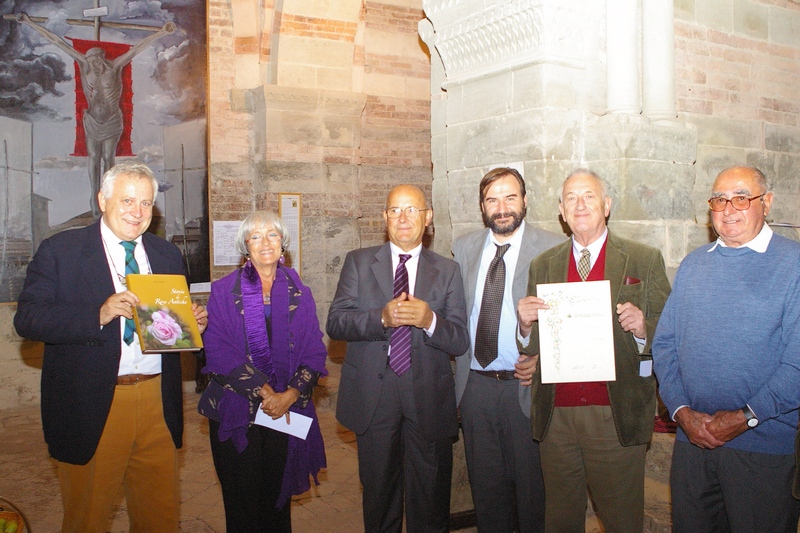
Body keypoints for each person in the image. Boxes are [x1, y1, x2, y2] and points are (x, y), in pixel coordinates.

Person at [14, 162, 207, 532]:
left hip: (157, 402)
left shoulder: (165, 255)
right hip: (94, 402)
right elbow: (28, 318)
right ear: (103, 200)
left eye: (147, 203)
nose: (137, 212)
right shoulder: (62, 250)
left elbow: (169, 327)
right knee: (87, 518)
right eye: (128, 200)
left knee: (160, 518)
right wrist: (98, 314)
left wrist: (194, 323)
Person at [517, 168, 670, 533]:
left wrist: (644, 326)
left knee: (621, 521)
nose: (580, 204)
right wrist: (524, 326)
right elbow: (536, 346)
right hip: (557, 417)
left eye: (588, 196)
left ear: (607, 205)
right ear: (561, 210)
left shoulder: (642, 259)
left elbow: (670, 330)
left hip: (613, 413)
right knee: (560, 521)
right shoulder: (544, 264)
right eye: (571, 198)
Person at [652, 166, 800, 532]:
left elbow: (796, 362)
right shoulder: (693, 265)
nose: (729, 208)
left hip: (762, 449)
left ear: (766, 203)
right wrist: (682, 411)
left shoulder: (793, 264)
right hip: (694, 443)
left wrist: (745, 417)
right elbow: (665, 344)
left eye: (741, 197)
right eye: (719, 199)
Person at [327, 184, 470, 532]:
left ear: (428, 217)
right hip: (375, 397)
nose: (403, 217)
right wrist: (381, 318)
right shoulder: (359, 262)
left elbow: (460, 341)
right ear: (384, 217)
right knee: (379, 498)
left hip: (429, 399)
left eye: (412, 210)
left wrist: (430, 320)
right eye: (395, 210)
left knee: (430, 500)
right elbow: (336, 322)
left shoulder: (448, 270)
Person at [197, 210, 327, 531]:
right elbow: (218, 349)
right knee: (243, 504)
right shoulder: (224, 291)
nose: (265, 242)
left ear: (283, 243)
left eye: (272, 234)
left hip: (285, 412)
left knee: (277, 501)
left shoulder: (301, 293)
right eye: (255, 236)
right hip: (237, 410)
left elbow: (314, 349)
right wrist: (266, 392)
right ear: (246, 246)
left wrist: (291, 394)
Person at [452, 167, 563, 532]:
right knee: (487, 492)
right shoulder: (464, 247)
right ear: (482, 207)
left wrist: (542, 359)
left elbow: (566, 318)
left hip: (525, 387)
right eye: (492, 200)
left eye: (510, 197)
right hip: (476, 387)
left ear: (525, 200)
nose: (502, 208)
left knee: (533, 492)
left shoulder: (551, 247)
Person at [15, 12, 175, 217]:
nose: (95, 64)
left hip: (112, 119)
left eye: (97, 60)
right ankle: (93, 196)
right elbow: (58, 41)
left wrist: (162, 32)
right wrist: (29, 22)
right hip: (92, 120)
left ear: (102, 59)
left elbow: (136, 49)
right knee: (93, 157)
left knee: (108, 157)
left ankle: (108, 198)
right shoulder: (85, 66)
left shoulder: (115, 66)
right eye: (91, 60)